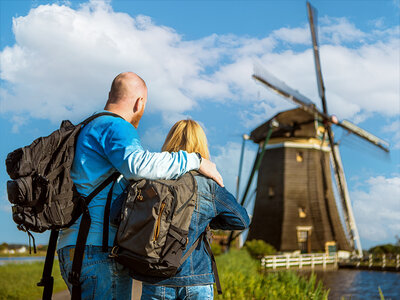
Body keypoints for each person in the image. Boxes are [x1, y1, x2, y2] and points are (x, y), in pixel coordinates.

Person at [56, 72, 224, 299]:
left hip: (74, 245)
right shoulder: (115, 126)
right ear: (139, 102)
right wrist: (196, 160)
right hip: (99, 250)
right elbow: (138, 164)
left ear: (110, 95)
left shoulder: (89, 127)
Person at [137, 119, 250, 300]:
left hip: (155, 278)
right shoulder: (208, 185)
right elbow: (242, 220)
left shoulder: (152, 180)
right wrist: (208, 220)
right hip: (196, 278)